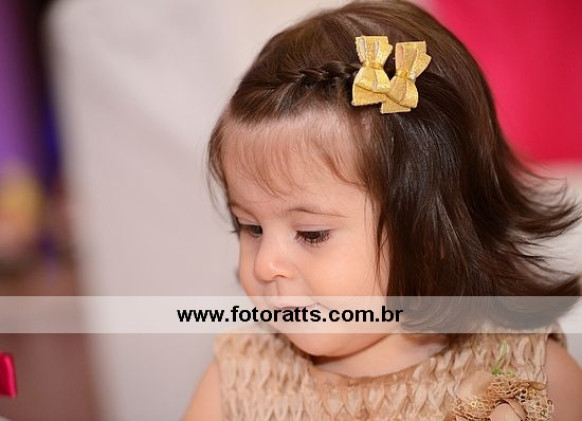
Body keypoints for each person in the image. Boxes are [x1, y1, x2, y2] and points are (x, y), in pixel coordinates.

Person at [183, 1, 582, 419]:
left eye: (311, 234)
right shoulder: (238, 381)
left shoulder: (525, 380)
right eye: (251, 227)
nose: (265, 265)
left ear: (428, 233)